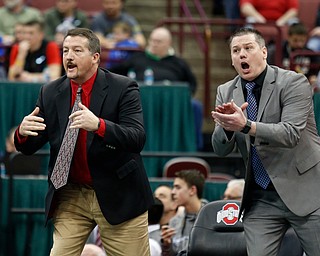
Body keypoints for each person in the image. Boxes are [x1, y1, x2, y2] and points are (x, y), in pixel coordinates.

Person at [14, 28, 153, 255]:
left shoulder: (123, 88)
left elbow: (136, 138)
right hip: (70, 193)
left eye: (77, 51)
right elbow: (28, 147)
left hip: (117, 192)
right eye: (65, 50)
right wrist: (22, 133)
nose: (68, 56)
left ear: (95, 57)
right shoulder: (50, 92)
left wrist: (99, 125)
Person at [211, 27, 320, 255]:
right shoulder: (225, 91)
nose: (242, 54)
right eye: (235, 50)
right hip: (261, 197)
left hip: (307, 191)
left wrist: (245, 126)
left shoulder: (293, 83)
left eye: (248, 48)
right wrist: (227, 129)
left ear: (263, 52)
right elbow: (220, 149)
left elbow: (289, 134)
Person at [110, 26, 204, 150]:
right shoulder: (138, 58)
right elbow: (116, 73)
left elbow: (192, 84)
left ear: (168, 43)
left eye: (158, 41)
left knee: (195, 106)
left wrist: (182, 98)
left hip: (172, 105)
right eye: (152, 40)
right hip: (141, 102)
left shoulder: (179, 63)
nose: (154, 44)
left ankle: (193, 148)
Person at [161, 170, 206, 256]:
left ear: (192, 190)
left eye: (178, 187)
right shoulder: (174, 221)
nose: (173, 192)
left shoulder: (211, 217)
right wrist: (167, 245)